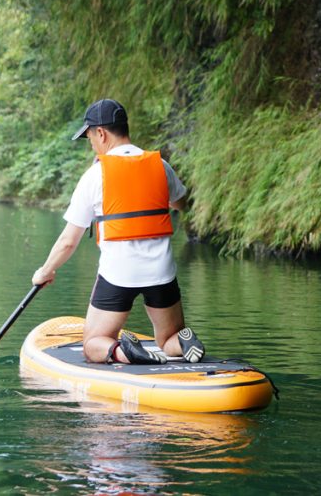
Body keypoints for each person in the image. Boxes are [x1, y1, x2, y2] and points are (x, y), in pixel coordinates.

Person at [32, 98, 205, 365]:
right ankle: (182, 341)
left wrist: (45, 271)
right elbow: (181, 202)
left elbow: (68, 241)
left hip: (118, 274)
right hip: (161, 272)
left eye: (89, 136)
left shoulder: (95, 175)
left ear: (100, 133)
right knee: (167, 338)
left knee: (92, 345)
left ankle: (124, 352)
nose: (90, 143)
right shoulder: (160, 166)